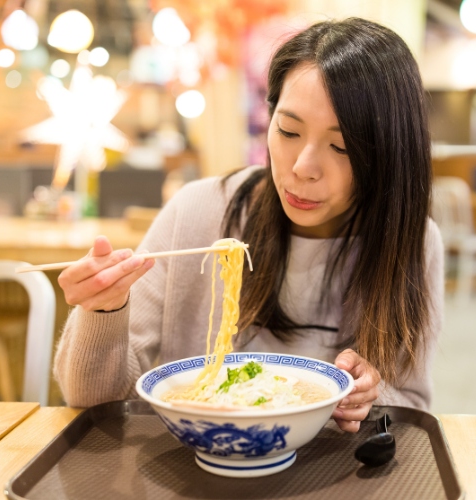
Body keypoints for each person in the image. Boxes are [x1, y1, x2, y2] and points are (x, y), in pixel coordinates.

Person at [54, 17, 443, 433]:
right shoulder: (199, 212)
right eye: (289, 131)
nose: (302, 167)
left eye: (341, 146)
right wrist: (102, 309)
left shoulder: (412, 241)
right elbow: (94, 401)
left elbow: (412, 405)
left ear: (390, 153)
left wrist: (371, 394)